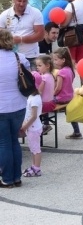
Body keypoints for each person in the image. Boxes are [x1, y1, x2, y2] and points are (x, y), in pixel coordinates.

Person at [0, 29, 29, 187]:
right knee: (14, 141)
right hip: (18, 105)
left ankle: (7, 178)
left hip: (1, 108)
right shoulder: (19, 57)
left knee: (3, 143)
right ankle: (17, 177)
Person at [1, 0, 45, 65]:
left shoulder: (36, 13)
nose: (22, 4)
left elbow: (40, 36)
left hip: (30, 56)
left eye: (24, 1)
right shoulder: (4, 15)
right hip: (10, 56)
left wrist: (21, 39)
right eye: (19, 1)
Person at [20, 78, 42, 177]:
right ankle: (33, 166)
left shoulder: (35, 99)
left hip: (33, 127)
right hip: (31, 127)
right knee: (33, 148)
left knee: (36, 149)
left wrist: (24, 127)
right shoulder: (31, 97)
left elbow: (34, 116)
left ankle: (37, 168)